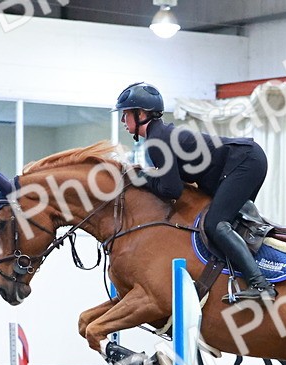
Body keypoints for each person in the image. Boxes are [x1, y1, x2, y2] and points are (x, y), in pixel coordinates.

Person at [114, 81, 277, 303]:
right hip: (246, 160)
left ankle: (261, 285)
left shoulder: (156, 141)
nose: (123, 120)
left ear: (140, 113)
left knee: (215, 224)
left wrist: (142, 178)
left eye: (125, 115)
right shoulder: (159, 136)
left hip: (245, 161)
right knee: (223, 221)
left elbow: (172, 190)